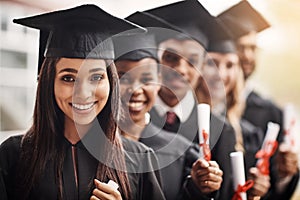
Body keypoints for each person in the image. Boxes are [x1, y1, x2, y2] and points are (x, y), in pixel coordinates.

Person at [0, 5, 166, 200]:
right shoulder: (13, 156)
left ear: (111, 83)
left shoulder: (139, 159)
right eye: (68, 78)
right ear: (49, 83)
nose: (83, 93)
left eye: (96, 77)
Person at [126, 0, 237, 199]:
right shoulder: (130, 117)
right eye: (170, 58)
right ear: (155, 61)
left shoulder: (220, 131)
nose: (181, 69)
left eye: (192, 61)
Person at [113, 32, 223, 200]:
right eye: (124, 78)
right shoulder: (86, 147)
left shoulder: (180, 152)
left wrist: (198, 188)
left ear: (158, 80)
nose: (135, 89)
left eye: (146, 79)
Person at [219, 1, 299, 199]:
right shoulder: (202, 108)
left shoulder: (271, 112)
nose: (247, 55)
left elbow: (278, 191)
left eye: (253, 48)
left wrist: (285, 174)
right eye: (241, 47)